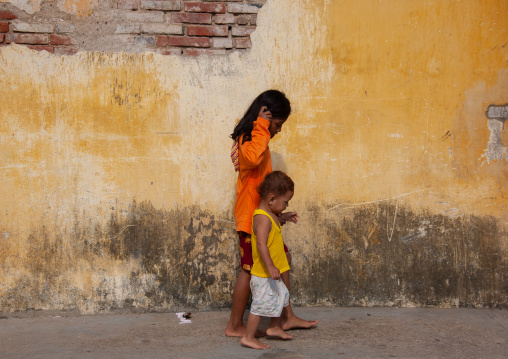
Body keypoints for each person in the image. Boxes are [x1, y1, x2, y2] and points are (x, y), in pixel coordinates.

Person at [225, 90, 318, 337]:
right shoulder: (250, 139)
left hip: (263, 218)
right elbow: (253, 158)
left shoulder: (257, 139)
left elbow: (266, 193)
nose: (278, 130)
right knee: (249, 269)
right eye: (277, 124)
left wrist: (277, 216)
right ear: (265, 118)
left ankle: (284, 318)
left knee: (282, 259)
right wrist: (262, 126)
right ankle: (235, 325)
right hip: (250, 220)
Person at [241, 171, 296, 349]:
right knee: (259, 306)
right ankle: (248, 337)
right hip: (264, 274)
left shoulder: (269, 214)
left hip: (273, 272)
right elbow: (261, 245)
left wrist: (284, 218)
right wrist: (271, 265)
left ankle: (274, 327)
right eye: (285, 202)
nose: (286, 205)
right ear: (271, 199)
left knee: (279, 298)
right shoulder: (262, 218)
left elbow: (275, 221)